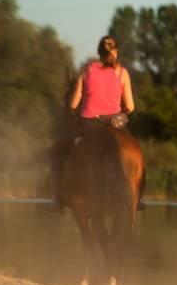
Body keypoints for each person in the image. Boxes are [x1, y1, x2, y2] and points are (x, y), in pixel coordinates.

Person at [51, 35, 143, 211]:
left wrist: (77, 107)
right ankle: (138, 198)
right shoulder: (123, 73)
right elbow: (130, 106)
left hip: (89, 123)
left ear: (99, 53)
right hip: (116, 123)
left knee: (62, 150)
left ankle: (59, 196)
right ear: (115, 52)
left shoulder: (86, 70)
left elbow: (73, 104)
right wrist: (119, 107)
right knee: (135, 152)